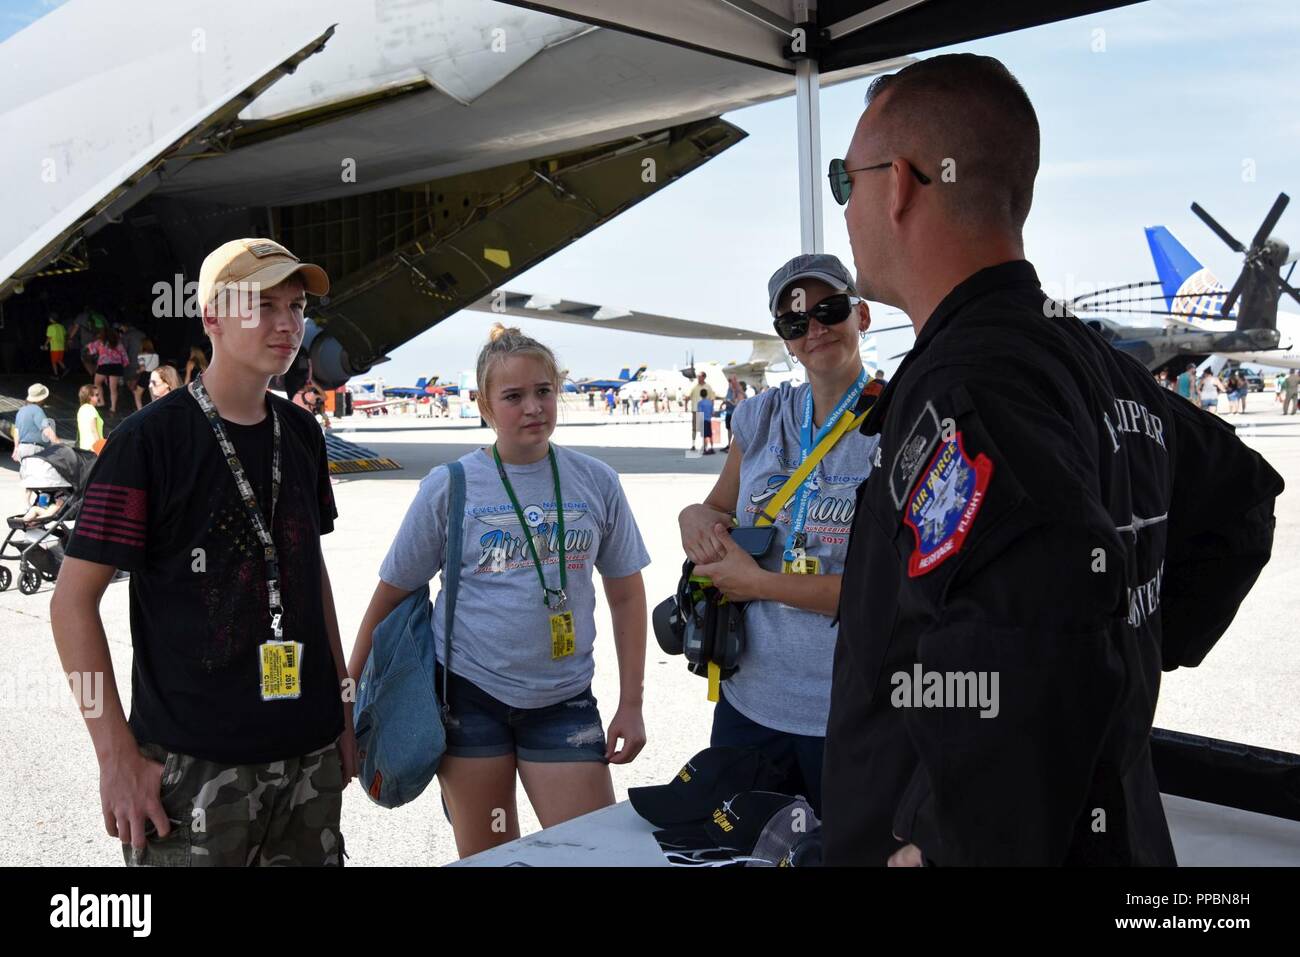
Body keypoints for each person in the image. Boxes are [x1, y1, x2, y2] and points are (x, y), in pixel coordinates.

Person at [822, 53, 1284, 866]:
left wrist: (943, 839)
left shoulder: (970, 387)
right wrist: (1132, 655)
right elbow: (1239, 500)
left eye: (844, 179)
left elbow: (1030, 624)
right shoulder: (1088, 361)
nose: (846, 207)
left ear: (896, 182)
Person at [51, 237, 352, 866]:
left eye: (295, 306)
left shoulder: (301, 433)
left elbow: (307, 572)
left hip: (309, 757)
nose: (287, 324)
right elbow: (71, 605)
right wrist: (115, 758)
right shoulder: (146, 443)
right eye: (263, 304)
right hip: (192, 770)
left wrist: (343, 711)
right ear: (212, 316)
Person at [348, 323, 650, 859]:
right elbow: (391, 594)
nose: (533, 407)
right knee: (491, 856)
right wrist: (349, 699)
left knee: (595, 854)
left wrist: (632, 702)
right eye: (513, 396)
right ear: (485, 405)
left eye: (543, 391)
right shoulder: (450, 486)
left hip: (564, 701)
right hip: (470, 701)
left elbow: (626, 594)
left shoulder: (597, 481)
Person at [678, 254, 879, 817]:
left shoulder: (897, 419)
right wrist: (692, 517)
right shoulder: (761, 417)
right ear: (784, 339)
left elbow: (886, 589)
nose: (814, 330)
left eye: (829, 310)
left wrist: (759, 583)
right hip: (750, 705)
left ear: (861, 316)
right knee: (742, 851)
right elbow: (718, 506)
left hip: (846, 711)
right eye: (795, 323)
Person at [11, 383, 60, 462]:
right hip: (34, 449)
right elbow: (47, 431)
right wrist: (60, 445)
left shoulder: (21, 411)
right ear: (41, 399)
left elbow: (16, 431)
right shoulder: (37, 410)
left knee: (27, 473)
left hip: (22, 449)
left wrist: (16, 448)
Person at [86, 327, 129, 414]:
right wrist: (124, 364)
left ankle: (101, 402)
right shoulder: (118, 343)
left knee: (97, 383)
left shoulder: (100, 342)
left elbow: (91, 351)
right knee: (113, 388)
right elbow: (124, 355)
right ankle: (113, 408)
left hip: (104, 366)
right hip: (116, 366)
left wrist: (88, 345)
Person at [132, 338, 160, 411]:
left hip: (145, 375)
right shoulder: (156, 355)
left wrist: (137, 371)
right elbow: (157, 366)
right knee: (153, 396)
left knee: (137, 394)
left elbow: (142, 368)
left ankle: (140, 411)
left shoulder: (141, 355)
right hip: (155, 375)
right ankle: (155, 410)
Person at [76, 383, 105, 452]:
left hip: (84, 448)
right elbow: (93, 430)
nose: (98, 397)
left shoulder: (81, 409)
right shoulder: (91, 409)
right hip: (93, 449)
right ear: (89, 397)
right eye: (96, 395)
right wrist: (100, 448)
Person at [687, 371, 708, 450]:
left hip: (704, 412)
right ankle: (693, 445)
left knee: (703, 429)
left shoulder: (708, 387)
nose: (698, 378)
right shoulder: (694, 387)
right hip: (695, 410)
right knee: (694, 429)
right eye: (697, 376)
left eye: (699, 376)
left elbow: (711, 399)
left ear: (703, 377)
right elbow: (688, 396)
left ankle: (704, 446)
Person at [697, 388, 715, 454]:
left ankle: (705, 448)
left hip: (703, 420)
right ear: (706, 394)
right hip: (708, 420)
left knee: (704, 435)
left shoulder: (700, 403)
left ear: (700, 395)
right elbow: (713, 412)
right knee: (710, 434)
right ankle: (712, 448)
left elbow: (699, 412)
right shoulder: (710, 402)